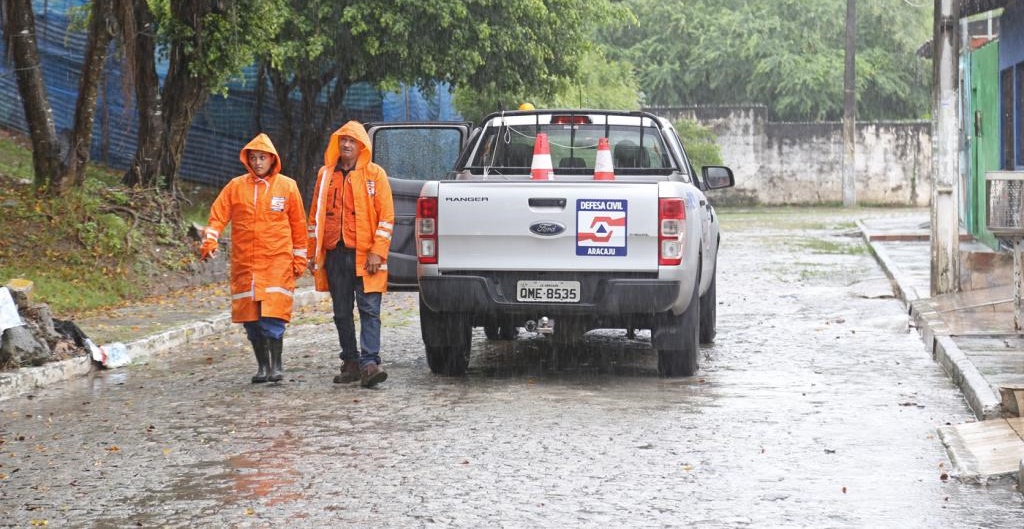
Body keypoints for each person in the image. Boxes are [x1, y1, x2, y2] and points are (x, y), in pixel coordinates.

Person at [199, 133, 308, 384]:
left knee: (274, 315)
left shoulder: (287, 186)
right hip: (246, 264)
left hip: (276, 264)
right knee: (251, 319)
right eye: (253, 158)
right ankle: (262, 368)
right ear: (247, 160)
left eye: (262, 157)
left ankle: (276, 367)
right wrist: (210, 241)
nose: (258, 162)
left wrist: (300, 258)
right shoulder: (236, 187)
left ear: (273, 159)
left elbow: (299, 227)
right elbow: (217, 216)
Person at [307, 121, 394, 388]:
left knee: (370, 310)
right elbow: (315, 217)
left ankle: (370, 363)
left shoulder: (375, 174)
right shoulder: (325, 175)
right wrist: (312, 254)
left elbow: (386, 217)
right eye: (342, 140)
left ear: (361, 146)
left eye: (352, 141)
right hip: (335, 255)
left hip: (367, 257)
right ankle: (351, 362)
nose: (346, 144)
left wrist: (377, 252)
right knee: (341, 312)